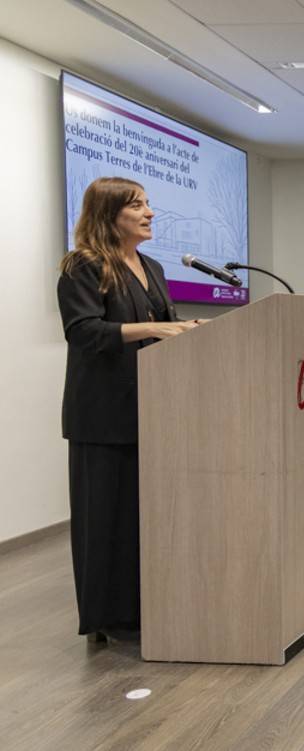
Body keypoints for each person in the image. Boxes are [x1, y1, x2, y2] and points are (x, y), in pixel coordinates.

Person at [57, 177, 199, 642]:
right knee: (106, 518)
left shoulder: (152, 266)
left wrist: (184, 329)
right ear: (108, 214)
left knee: (147, 515)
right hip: (102, 415)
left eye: (147, 204)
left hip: (153, 409)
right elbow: (84, 332)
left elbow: (165, 324)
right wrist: (154, 331)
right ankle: (107, 617)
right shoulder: (83, 266)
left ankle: (146, 604)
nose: (150, 212)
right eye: (136, 205)